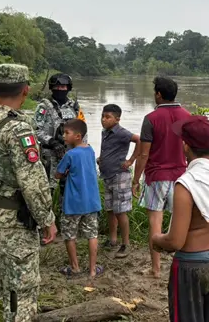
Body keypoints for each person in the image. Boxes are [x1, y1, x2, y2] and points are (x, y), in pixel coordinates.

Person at [0, 64, 58, 322]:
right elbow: (33, 181)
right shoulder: (18, 129)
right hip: (10, 222)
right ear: (25, 91)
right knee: (20, 291)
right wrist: (47, 219)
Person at [152, 115, 209, 322]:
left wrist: (156, 239)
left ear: (185, 146)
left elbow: (175, 241)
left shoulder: (185, 184)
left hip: (191, 266)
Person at [132, 76, 191, 278]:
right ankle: (181, 265)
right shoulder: (187, 116)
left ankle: (155, 269)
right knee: (183, 222)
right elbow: (190, 149)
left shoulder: (151, 119)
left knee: (155, 223)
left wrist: (135, 180)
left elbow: (143, 154)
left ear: (159, 94)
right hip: (181, 177)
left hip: (157, 176)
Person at [55, 119, 103, 277]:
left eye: (67, 133)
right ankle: (92, 269)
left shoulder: (70, 154)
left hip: (73, 203)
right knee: (92, 234)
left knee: (70, 235)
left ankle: (75, 268)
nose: (63, 136)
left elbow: (58, 174)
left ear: (78, 136)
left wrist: (66, 173)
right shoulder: (90, 150)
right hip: (91, 202)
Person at [97, 104, 141, 256]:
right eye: (103, 116)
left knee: (121, 211)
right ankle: (113, 239)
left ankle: (126, 244)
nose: (104, 119)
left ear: (117, 119)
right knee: (110, 210)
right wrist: (101, 159)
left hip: (120, 176)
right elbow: (108, 149)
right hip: (108, 175)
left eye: (107, 117)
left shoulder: (121, 132)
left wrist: (131, 160)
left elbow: (139, 140)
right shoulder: (105, 132)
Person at [33, 73, 86, 193]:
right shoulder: (43, 107)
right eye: (57, 87)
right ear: (52, 88)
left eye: (63, 87)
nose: (60, 90)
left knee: (70, 189)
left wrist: (82, 151)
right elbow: (36, 130)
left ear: (68, 88)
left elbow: (83, 131)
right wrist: (52, 142)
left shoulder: (75, 107)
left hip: (71, 155)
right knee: (48, 189)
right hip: (49, 156)